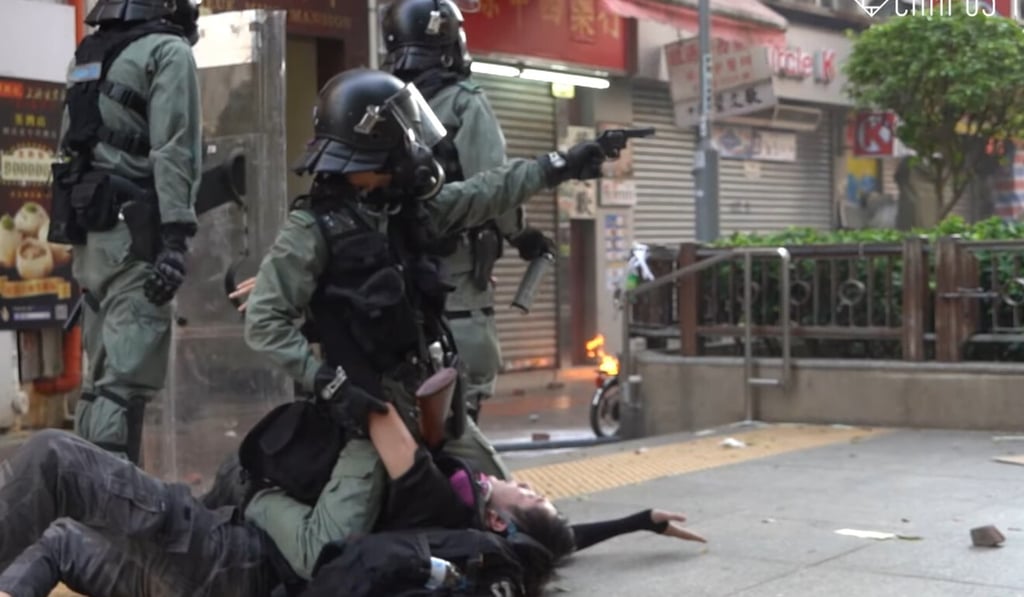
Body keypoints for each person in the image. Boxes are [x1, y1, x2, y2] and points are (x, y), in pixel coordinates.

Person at [238, 65, 656, 581]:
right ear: (369, 149)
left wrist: (561, 165)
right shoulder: (311, 232)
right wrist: (332, 385)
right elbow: (265, 323)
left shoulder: (406, 212)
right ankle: (258, 501)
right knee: (320, 551)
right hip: (372, 416)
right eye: (401, 137)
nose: (413, 149)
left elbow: (487, 191)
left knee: (528, 528)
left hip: (434, 404)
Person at [0, 410, 701, 597]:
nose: (529, 482)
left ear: (497, 518)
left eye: (531, 494)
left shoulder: (438, 495)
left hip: (230, 562)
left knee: (54, 458)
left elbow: (376, 413)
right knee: (60, 538)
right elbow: (561, 539)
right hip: (218, 565)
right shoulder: (474, 515)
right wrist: (641, 519)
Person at [381, 0, 556, 423]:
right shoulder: (464, 103)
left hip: (389, 272)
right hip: (457, 273)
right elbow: (494, 188)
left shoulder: (378, 101)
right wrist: (521, 235)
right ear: (448, 41)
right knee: (461, 396)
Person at [48, 0, 203, 465]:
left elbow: (67, 146)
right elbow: (176, 150)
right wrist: (175, 240)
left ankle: (80, 505)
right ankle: (110, 524)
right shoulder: (168, 52)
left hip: (91, 236)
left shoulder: (87, 54)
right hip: (136, 234)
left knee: (98, 385)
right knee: (124, 386)